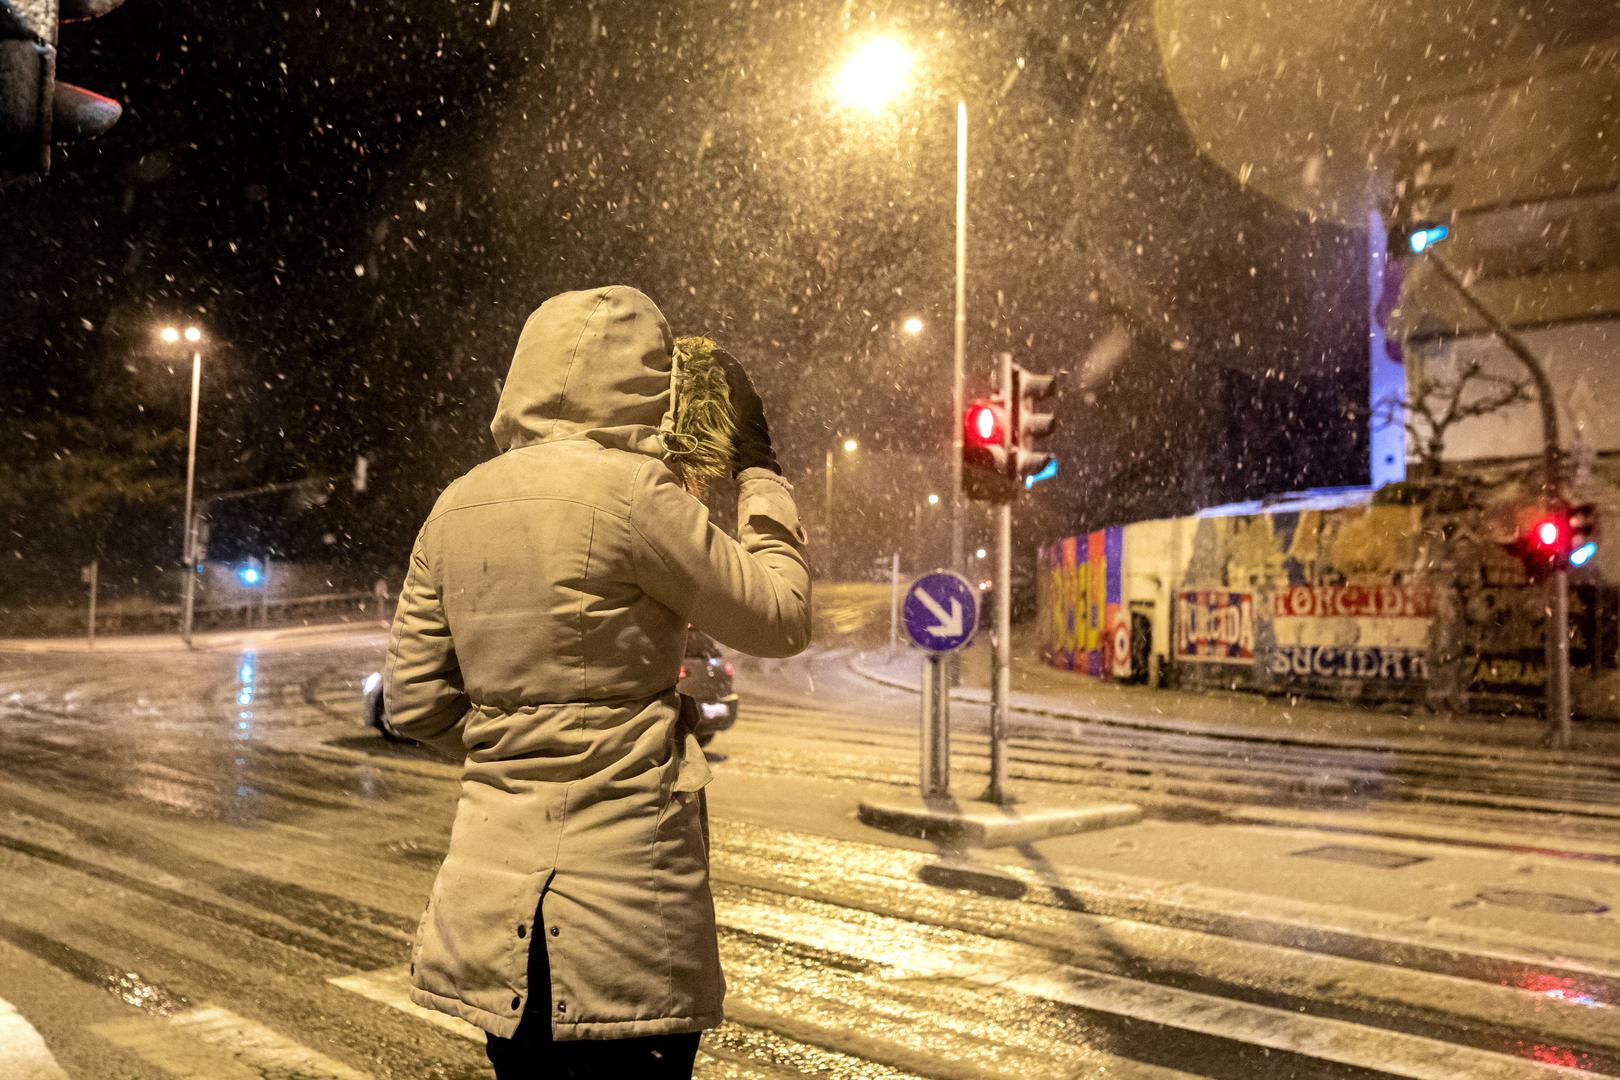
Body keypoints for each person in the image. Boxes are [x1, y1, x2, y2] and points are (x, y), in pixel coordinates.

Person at [383, 285, 811, 1077]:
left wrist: (517, 740)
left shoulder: (455, 506)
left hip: (491, 926)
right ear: (649, 386)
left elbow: (412, 702)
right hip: (624, 931)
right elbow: (780, 617)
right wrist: (759, 469)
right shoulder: (637, 497)